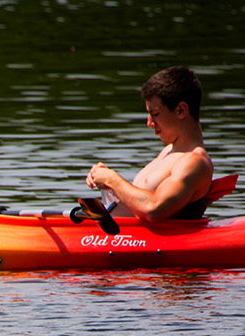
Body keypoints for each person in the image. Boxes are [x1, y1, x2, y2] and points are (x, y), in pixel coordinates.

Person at [85, 67, 214, 221]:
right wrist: (108, 185)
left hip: (146, 241)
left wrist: (112, 179)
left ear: (181, 110)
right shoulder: (169, 152)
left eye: (155, 114)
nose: (149, 123)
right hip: (118, 236)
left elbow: (154, 208)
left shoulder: (194, 162)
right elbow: (136, 205)